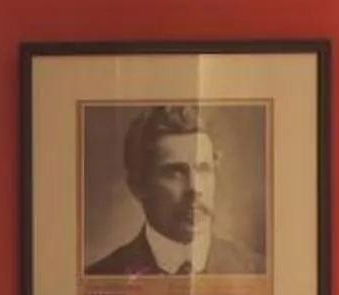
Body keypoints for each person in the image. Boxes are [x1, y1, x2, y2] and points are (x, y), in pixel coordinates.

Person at [85, 104, 263, 277]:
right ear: (138, 186)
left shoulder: (257, 271)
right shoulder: (101, 276)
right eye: (174, 173)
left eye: (203, 169)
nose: (194, 188)